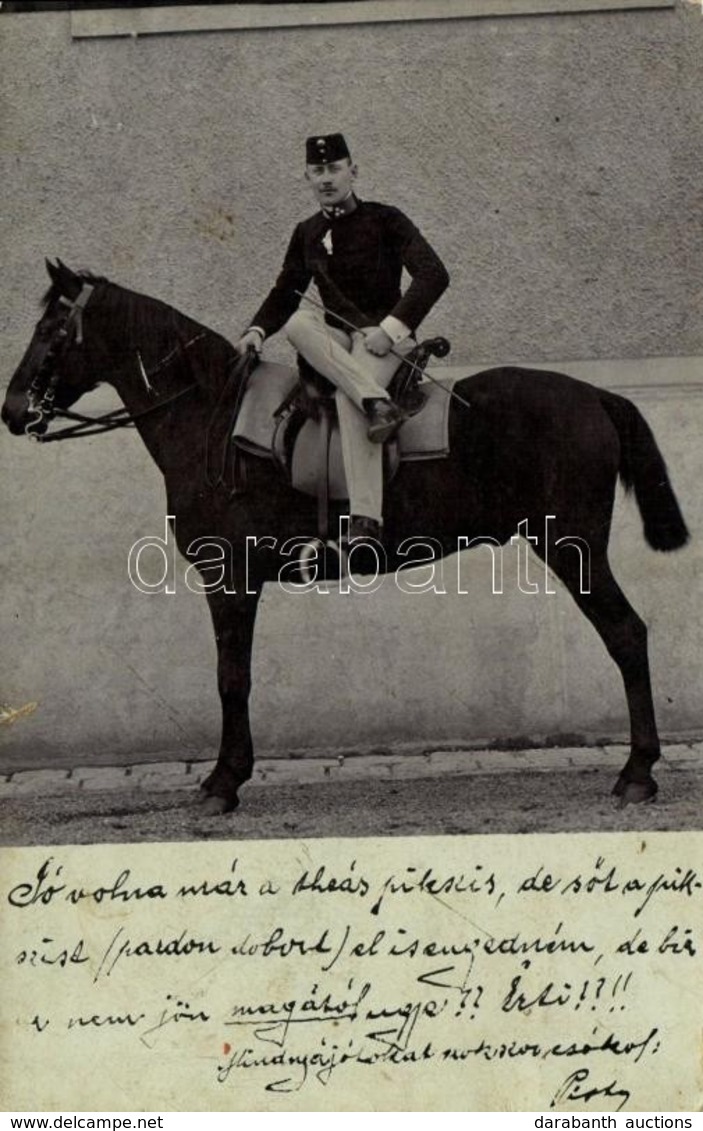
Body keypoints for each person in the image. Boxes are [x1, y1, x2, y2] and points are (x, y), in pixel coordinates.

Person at [235, 133, 449, 544]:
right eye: (317, 171)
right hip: (340, 342)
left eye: (335, 168)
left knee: (345, 398)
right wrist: (255, 331)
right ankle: (376, 400)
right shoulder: (307, 233)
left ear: (354, 171)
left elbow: (433, 274)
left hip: (385, 343)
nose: (327, 178)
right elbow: (286, 291)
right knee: (299, 322)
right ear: (307, 178)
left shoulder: (387, 219)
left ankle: (366, 520)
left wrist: (390, 330)